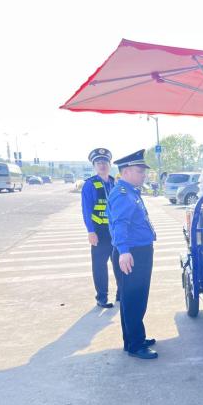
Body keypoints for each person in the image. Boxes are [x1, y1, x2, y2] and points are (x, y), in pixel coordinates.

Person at [107, 150, 158, 359]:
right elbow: (120, 224)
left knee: (134, 298)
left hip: (138, 250)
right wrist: (124, 251)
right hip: (133, 252)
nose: (143, 175)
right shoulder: (123, 194)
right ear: (126, 172)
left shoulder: (130, 190)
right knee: (133, 298)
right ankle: (136, 345)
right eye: (139, 171)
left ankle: (133, 338)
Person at [81, 148, 119, 308]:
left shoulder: (115, 183)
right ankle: (102, 297)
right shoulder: (90, 185)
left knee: (119, 263)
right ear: (94, 166)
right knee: (99, 266)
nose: (102, 165)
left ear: (109, 164)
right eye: (98, 163)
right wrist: (91, 231)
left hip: (116, 232)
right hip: (99, 231)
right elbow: (86, 209)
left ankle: (121, 293)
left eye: (104, 162)